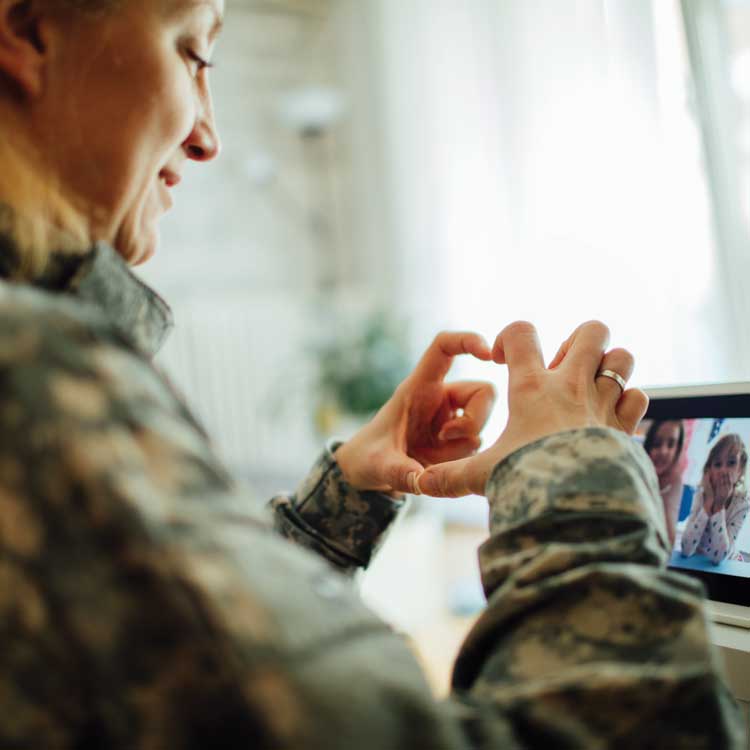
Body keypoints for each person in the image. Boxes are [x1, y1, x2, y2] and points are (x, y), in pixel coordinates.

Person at [0, 1, 744, 748]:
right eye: (194, 56)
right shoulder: (27, 374)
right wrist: (573, 476)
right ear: (27, 33)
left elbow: (153, 658)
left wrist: (340, 504)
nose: (208, 137)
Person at [681, 434, 750, 565]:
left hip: (726, 563)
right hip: (698, 561)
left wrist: (719, 506)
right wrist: (708, 505)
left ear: (740, 469)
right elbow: (686, 549)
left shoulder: (742, 503)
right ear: (709, 471)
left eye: (731, 463)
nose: (723, 470)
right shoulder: (701, 495)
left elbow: (719, 557)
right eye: (717, 464)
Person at [644, 419, 686, 546]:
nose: (663, 451)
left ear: (677, 449)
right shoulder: (634, 472)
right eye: (657, 444)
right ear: (648, 445)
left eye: (671, 444)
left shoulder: (675, 480)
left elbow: (667, 542)